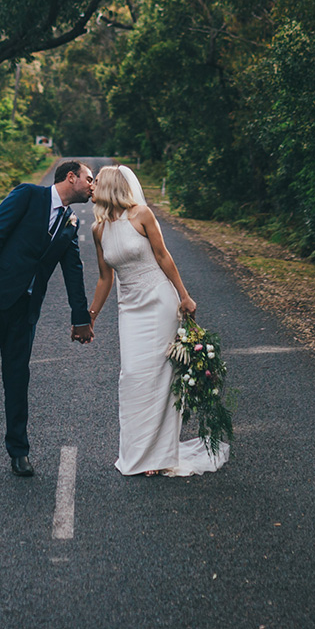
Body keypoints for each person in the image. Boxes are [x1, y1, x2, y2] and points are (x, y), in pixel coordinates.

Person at [0, 159, 96, 478]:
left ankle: (19, 453)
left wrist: (80, 318)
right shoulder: (28, 196)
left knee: (17, 381)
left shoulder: (71, 222)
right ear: (71, 177)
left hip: (25, 312)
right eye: (89, 178)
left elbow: (73, 271)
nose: (92, 184)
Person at [86, 163, 228, 477]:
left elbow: (164, 256)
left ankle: (159, 456)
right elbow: (104, 278)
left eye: (96, 181)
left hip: (159, 300)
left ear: (110, 185)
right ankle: (139, 452)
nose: (91, 186)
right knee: (133, 376)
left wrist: (184, 296)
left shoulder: (142, 215)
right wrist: (90, 317)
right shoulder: (98, 230)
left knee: (163, 377)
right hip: (130, 307)